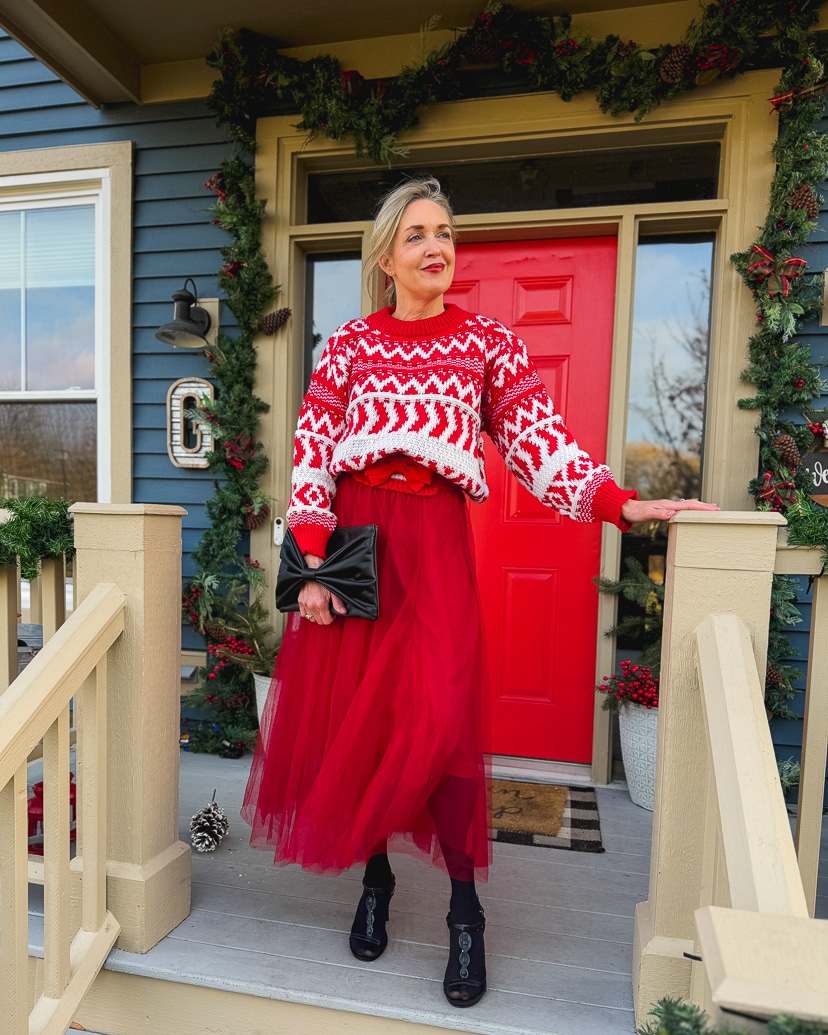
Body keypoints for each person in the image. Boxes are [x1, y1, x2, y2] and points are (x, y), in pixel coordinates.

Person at [241, 176, 718, 1009]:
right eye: (418, 234)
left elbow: (540, 443)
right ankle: (377, 879)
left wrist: (622, 503)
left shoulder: (486, 344)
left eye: (446, 232)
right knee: (365, 720)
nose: (437, 247)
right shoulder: (347, 346)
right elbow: (312, 453)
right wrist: (312, 566)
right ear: (387, 256)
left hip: (434, 550)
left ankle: (466, 912)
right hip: (356, 550)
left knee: (443, 724)